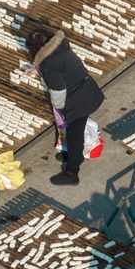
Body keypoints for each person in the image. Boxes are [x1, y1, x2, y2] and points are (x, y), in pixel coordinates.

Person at [24, 28, 104, 185]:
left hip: (78, 102)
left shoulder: (48, 63)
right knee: (76, 133)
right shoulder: (61, 46)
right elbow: (61, 67)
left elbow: (58, 88)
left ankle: (71, 173)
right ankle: (75, 155)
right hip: (87, 91)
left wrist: (58, 107)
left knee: (74, 136)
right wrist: (39, 71)